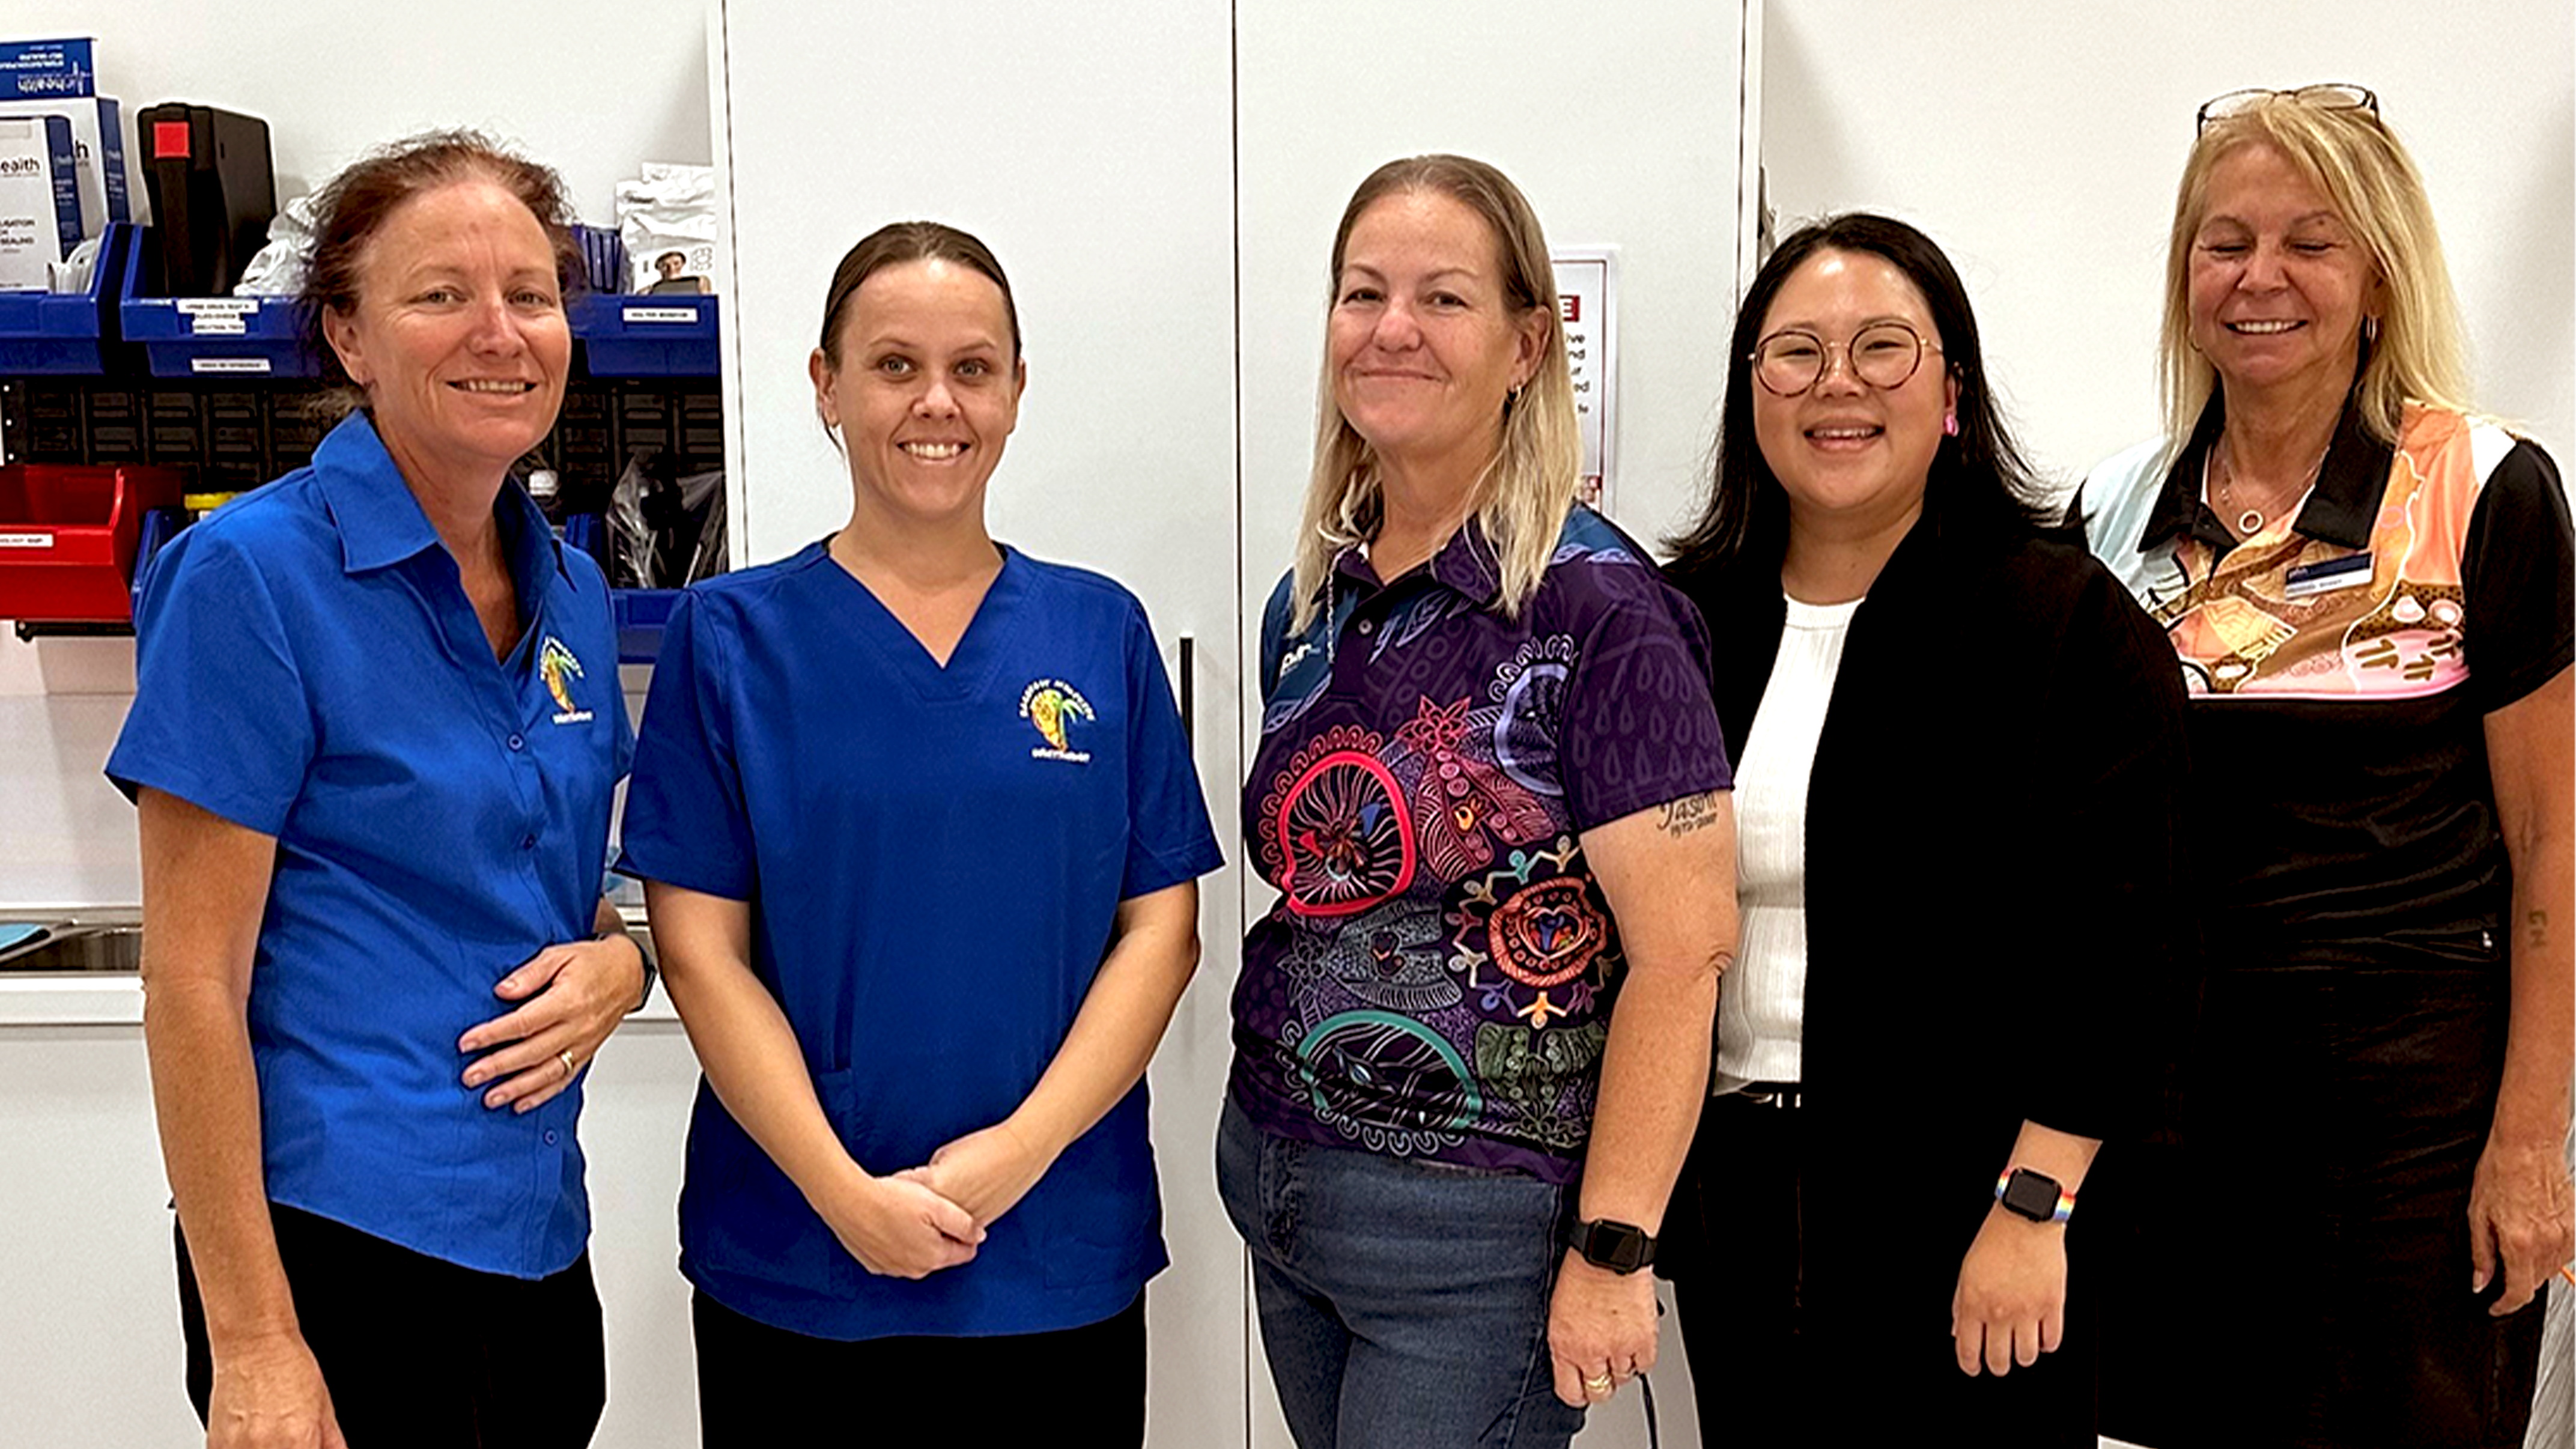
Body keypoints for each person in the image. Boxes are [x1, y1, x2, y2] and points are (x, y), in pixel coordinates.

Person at [616, 220, 1221, 1448]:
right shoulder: (728, 640)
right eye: (893, 366)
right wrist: (841, 1195)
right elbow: (698, 953)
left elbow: (1160, 931)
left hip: (1051, 1250)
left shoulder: (1096, 631)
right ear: (825, 384)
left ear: (1014, 390)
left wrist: (1014, 1154)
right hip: (796, 1258)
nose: (935, 403)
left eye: (973, 367)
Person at [107, 130, 644, 1448]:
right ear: (346, 336)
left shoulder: (570, 586)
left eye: (530, 293)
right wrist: (254, 1344)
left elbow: (564, 885)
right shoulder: (252, 579)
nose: (499, 331)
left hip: (531, 1237)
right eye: (439, 294)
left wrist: (622, 966)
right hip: (337, 1253)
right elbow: (189, 984)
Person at [2080, 84, 2576, 1447]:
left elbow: (2553, 841)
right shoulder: (2110, 514)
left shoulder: (2486, 487)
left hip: (2408, 1121)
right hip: (2171, 1118)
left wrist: (2532, 1144)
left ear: (2375, 278)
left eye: (2309, 240)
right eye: (2221, 242)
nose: (2259, 278)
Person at [1221, 154, 1737, 1448]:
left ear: (1523, 346)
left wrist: (1613, 1250)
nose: (1390, 328)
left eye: (1441, 299)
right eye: (1362, 293)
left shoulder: (1598, 610)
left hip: (1474, 1228)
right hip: (1279, 1179)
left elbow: (1684, 954)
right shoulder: (1315, 597)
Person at [1656, 212, 2192, 1445]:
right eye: (1793, 352)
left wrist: (2033, 1205)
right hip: (1733, 1195)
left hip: (1970, 1203)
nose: (1835, 384)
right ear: (1750, 394)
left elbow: (2134, 954)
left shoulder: (2059, 625)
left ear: (1951, 387)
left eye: (1881, 348)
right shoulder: (1682, 626)